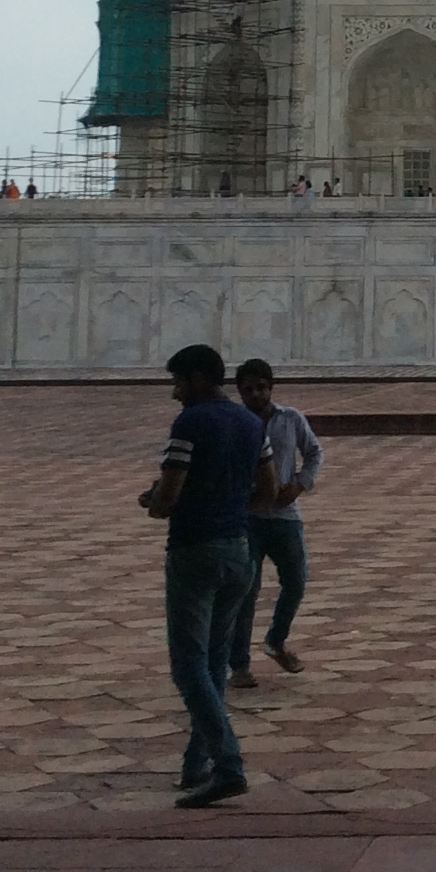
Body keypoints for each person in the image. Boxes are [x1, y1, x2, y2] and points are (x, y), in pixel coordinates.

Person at [138, 344, 275, 808]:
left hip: (196, 550)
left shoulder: (191, 422)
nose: (176, 393)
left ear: (199, 379)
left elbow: (170, 492)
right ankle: (196, 764)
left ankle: (228, 763)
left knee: (188, 663)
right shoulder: (251, 423)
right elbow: (270, 488)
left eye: (179, 382)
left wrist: (155, 501)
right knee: (213, 662)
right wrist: (233, 511)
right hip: (239, 548)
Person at [229, 358, 322, 688]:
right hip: (249, 516)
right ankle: (239, 664)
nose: (256, 394)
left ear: (271, 387)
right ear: (239, 393)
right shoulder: (236, 423)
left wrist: (299, 483)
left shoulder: (290, 418)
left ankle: (276, 640)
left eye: (261, 388)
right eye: (249, 390)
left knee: (296, 580)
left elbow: (314, 452)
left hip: (285, 515)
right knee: (246, 591)